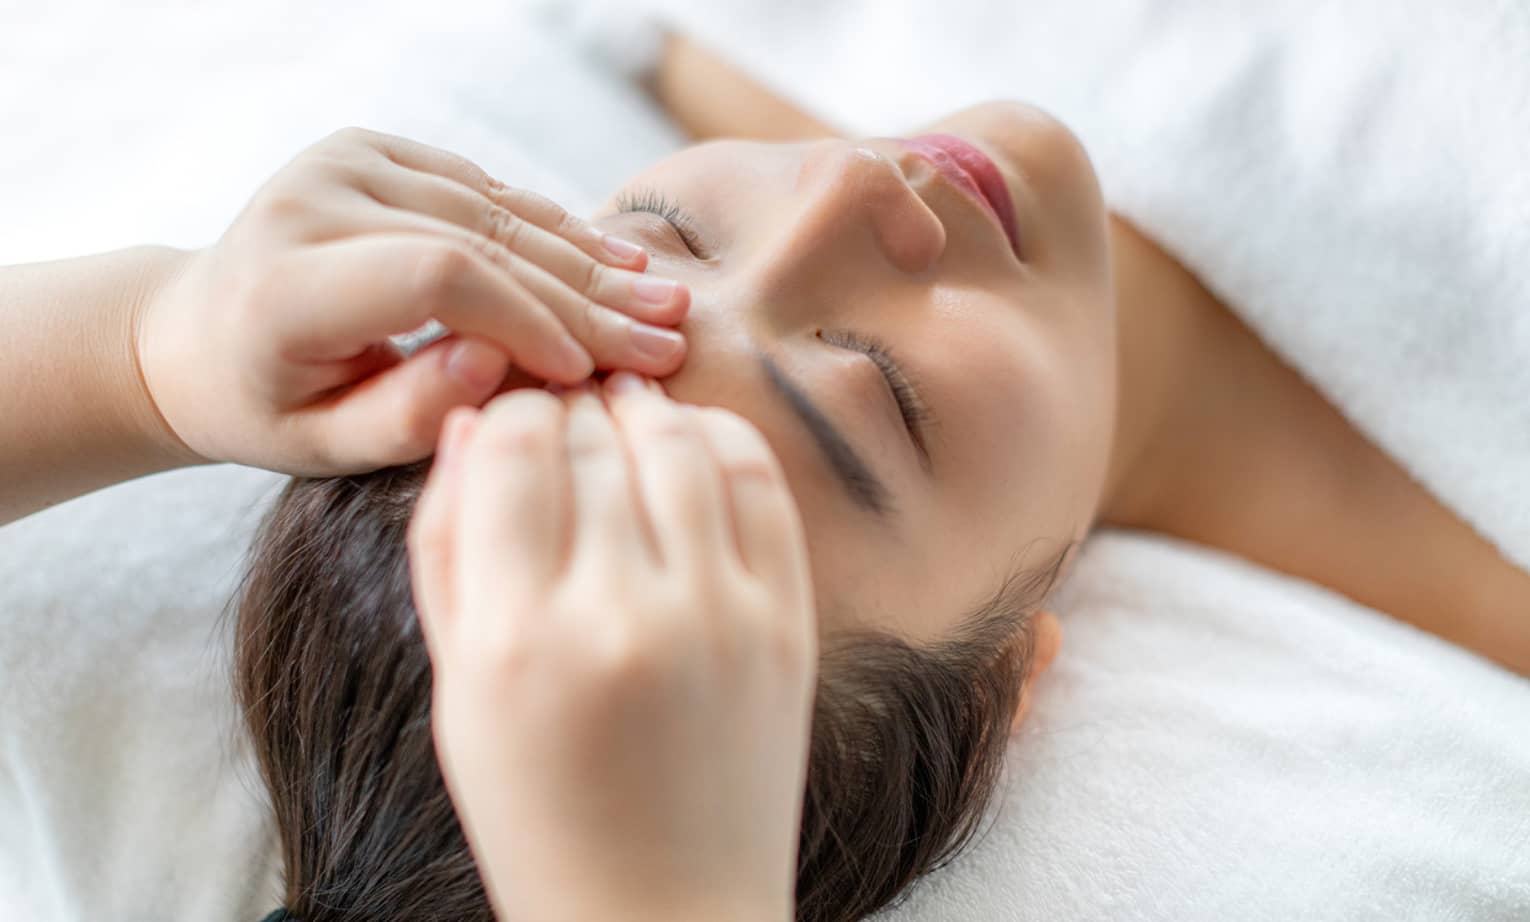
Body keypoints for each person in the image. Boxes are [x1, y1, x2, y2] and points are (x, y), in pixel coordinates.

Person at [6, 31, 1527, 922]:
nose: (855, 187)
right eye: (880, 398)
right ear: (1008, 675)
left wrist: (139, 351)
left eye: (666, 235)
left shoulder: (720, 44)